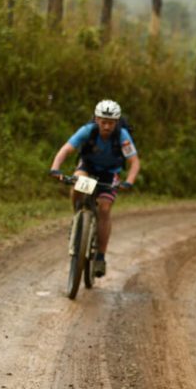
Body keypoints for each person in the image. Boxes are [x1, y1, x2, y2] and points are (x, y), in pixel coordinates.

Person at [49, 99, 140, 277]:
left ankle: (100, 257)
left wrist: (129, 181)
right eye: (103, 122)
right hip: (87, 168)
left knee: (105, 209)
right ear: (96, 120)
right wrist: (55, 168)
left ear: (117, 122)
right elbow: (66, 149)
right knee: (78, 185)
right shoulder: (87, 131)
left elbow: (134, 162)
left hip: (109, 173)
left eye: (111, 123)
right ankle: (78, 217)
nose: (106, 126)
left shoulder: (122, 136)